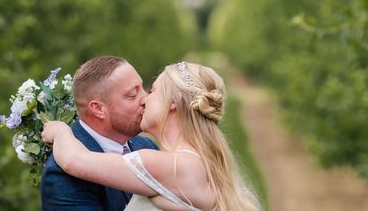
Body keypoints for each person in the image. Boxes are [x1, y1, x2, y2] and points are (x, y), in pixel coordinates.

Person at [42, 61, 260, 211]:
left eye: (152, 90)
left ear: (173, 103)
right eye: (133, 94)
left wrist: (60, 130)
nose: (145, 99)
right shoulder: (191, 161)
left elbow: (73, 160)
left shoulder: (165, 163)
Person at [40, 55, 158, 211]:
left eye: (143, 88)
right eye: (132, 95)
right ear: (98, 109)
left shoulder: (147, 146)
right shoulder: (61, 175)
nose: (145, 99)